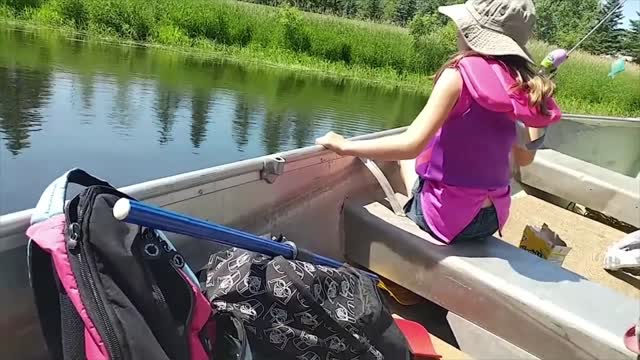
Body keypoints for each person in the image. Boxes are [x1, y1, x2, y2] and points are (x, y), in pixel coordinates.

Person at [315, 0, 561, 244]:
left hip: (449, 219)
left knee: (408, 157)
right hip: (491, 219)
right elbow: (524, 159)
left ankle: (412, 215)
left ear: (469, 32)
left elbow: (410, 146)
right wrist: (536, 105)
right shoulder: (523, 88)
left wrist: (345, 145)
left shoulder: (456, 76)